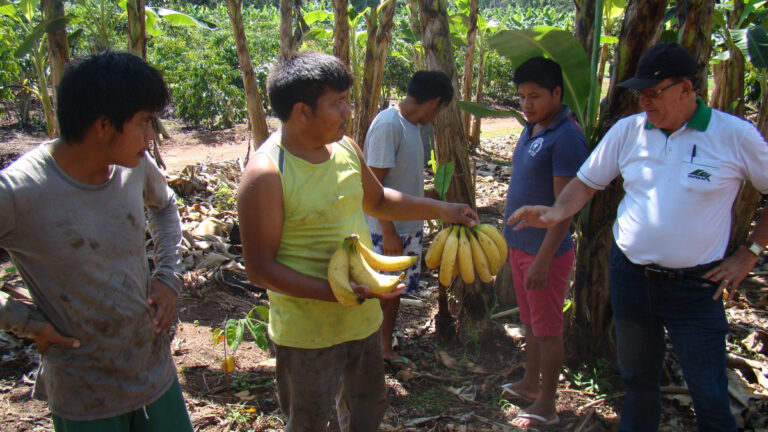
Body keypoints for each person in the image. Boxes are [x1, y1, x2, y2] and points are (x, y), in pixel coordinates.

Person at [508, 42, 768, 432]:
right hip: (631, 277)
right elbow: (586, 182)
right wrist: (556, 212)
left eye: (653, 92)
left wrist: (749, 253)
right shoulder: (630, 131)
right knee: (638, 383)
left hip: (696, 287)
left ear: (685, 88)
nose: (644, 101)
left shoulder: (733, 135)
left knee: (709, 393)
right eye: (640, 93)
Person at [236, 51, 477, 432]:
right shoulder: (267, 174)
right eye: (337, 104)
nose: (348, 112)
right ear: (301, 111)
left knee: (366, 414)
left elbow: (378, 200)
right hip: (307, 335)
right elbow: (260, 269)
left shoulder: (346, 148)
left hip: (363, 322)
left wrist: (442, 209)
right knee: (308, 422)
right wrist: (337, 292)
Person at [0, 51, 192, 431]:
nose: (150, 136)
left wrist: (168, 276)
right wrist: (26, 323)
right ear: (104, 125)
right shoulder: (19, 191)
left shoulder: (133, 167)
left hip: (153, 373)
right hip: (86, 393)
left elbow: (165, 207)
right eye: (143, 123)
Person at [499, 57, 589, 428]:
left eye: (534, 96)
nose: (526, 105)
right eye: (521, 97)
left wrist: (541, 259)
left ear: (557, 92)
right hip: (522, 248)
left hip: (545, 254)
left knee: (548, 330)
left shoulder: (567, 137)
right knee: (530, 323)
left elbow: (564, 209)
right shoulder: (533, 128)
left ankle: (548, 405)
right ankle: (529, 383)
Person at [364, 70, 453, 370]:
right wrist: (388, 231)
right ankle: (371, 350)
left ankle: (384, 346)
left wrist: (428, 195)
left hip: (408, 227)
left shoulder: (413, 126)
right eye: (440, 110)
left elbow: (400, 178)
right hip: (385, 230)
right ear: (435, 102)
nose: (438, 117)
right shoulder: (389, 125)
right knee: (381, 293)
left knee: (395, 293)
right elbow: (373, 186)